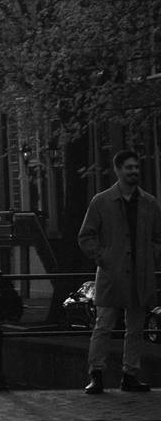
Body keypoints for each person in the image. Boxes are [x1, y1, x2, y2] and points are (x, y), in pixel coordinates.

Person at [78, 149, 161, 394]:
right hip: (112, 274)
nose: (134, 171)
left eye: (136, 167)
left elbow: (158, 237)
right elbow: (85, 236)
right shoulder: (101, 201)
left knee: (135, 327)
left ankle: (130, 374)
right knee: (103, 325)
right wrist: (103, 258)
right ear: (118, 169)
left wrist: (150, 255)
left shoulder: (149, 203)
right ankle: (96, 374)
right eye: (129, 167)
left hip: (140, 273)